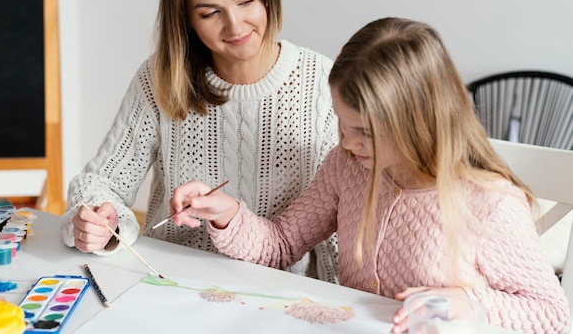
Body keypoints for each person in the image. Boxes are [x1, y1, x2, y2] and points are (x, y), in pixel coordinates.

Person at [169, 17, 571, 333]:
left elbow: (554, 316)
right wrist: (226, 213)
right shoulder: (346, 167)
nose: (347, 141)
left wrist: (473, 303)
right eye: (342, 123)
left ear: (419, 122)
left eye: (364, 132)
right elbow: (280, 245)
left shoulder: (489, 202)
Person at [59, 0, 340, 284]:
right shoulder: (161, 80)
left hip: (279, 292)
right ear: (187, 19)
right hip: (172, 283)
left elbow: (341, 219)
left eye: (247, 1)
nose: (236, 26)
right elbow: (100, 184)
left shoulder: (322, 83)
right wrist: (103, 220)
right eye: (210, 13)